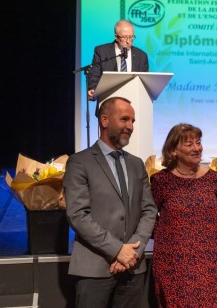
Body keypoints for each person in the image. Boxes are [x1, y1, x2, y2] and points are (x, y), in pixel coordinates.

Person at [63, 96, 157, 307]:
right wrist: (117, 250)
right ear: (104, 121)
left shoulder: (136, 164)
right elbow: (77, 215)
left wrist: (131, 252)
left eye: (133, 121)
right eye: (124, 119)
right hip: (94, 269)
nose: (130, 126)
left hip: (133, 267)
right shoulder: (79, 162)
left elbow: (149, 210)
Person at [150, 124, 217, 307]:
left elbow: (216, 217)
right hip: (174, 262)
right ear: (173, 151)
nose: (196, 148)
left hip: (209, 261)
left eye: (198, 142)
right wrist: (169, 237)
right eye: (189, 144)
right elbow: (149, 217)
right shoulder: (161, 181)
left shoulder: (213, 179)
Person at [87, 19, 149, 100]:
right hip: (108, 100)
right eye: (125, 37)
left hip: (134, 101)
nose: (128, 41)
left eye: (131, 37)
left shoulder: (141, 56)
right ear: (116, 37)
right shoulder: (102, 51)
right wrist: (93, 88)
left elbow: (144, 81)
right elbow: (94, 74)